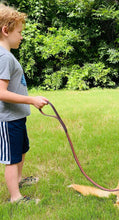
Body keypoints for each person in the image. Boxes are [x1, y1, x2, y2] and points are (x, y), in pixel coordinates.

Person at [0, 3, 48, 203]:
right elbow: (1, 93)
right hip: (8, 119)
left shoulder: (7, 56)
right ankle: (15, 197)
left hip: (17, 116)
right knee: (12, 158)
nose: (21, 36)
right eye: (19, 32)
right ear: (5, 30)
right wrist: (31, 99)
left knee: (21, 150)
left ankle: (19, 180)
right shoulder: (3, 57)